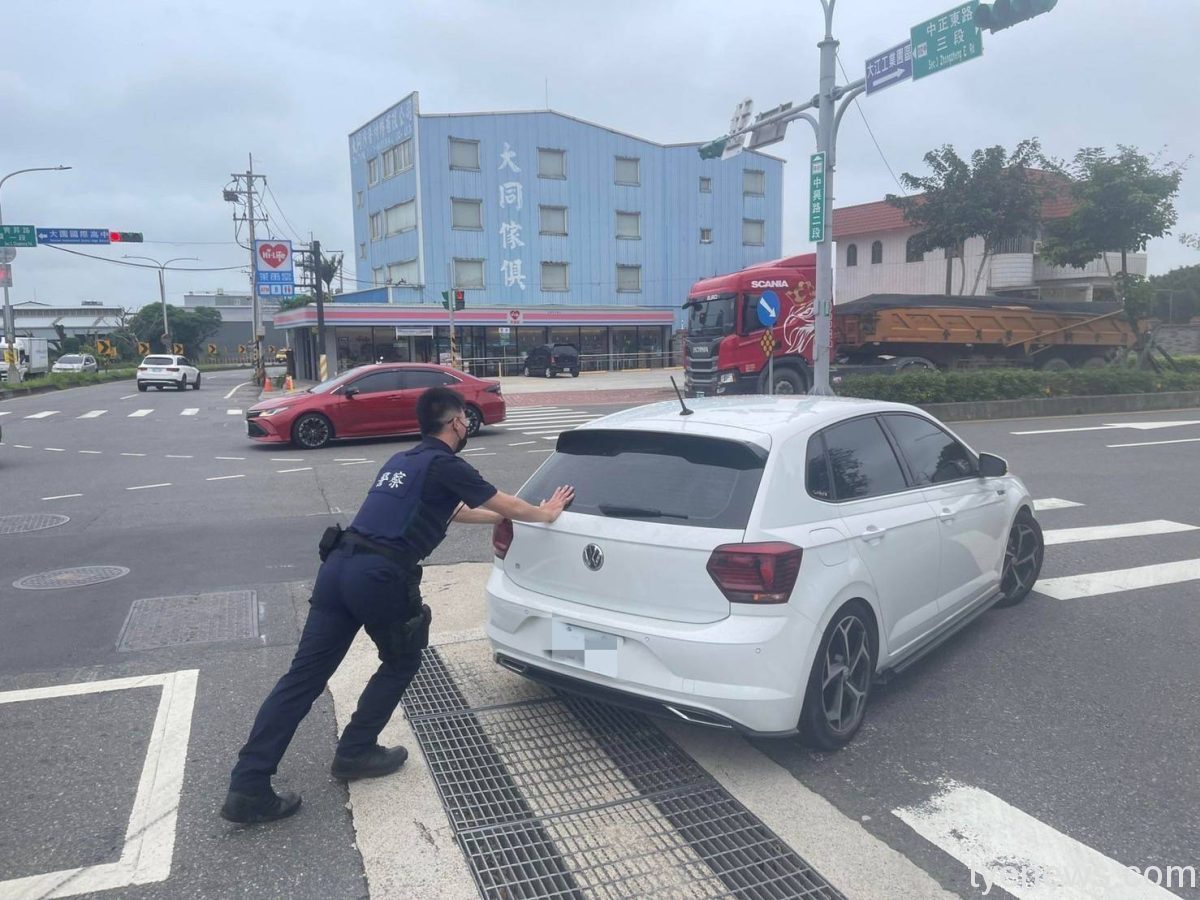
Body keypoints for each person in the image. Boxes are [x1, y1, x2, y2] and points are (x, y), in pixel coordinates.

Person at [220, 386, 574, 824]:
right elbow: (505, 502)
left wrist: (503, 517)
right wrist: (547, 512)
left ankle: (248, 785)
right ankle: (355, 751)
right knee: (402, 660)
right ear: (458, 422)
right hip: (380, 576)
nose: (466, 425)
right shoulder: (447, 463)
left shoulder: (403, 461)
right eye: (464, 418)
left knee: (303, 678)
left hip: (338, 568)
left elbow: (457, 511)